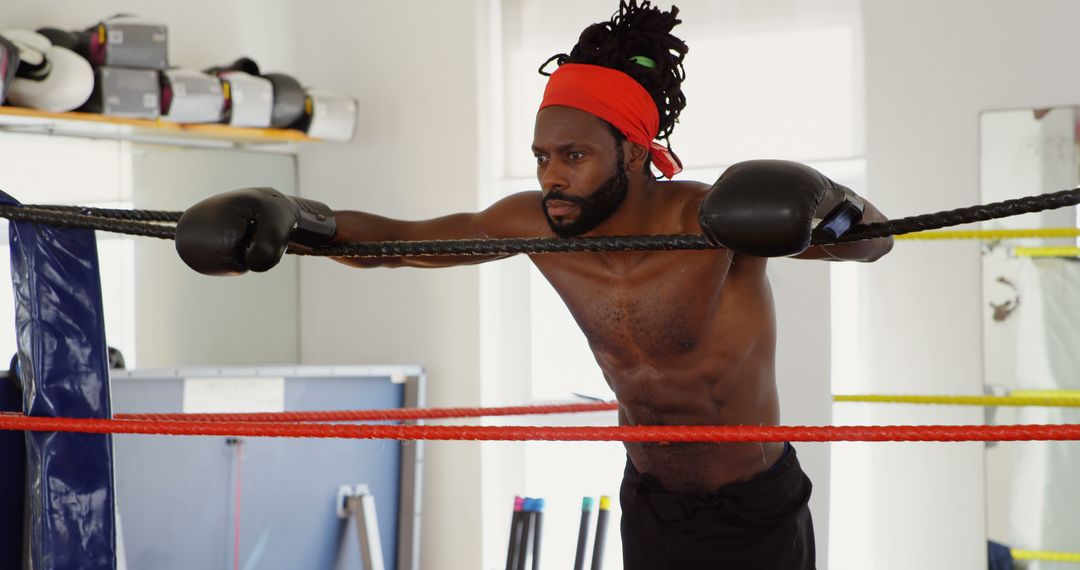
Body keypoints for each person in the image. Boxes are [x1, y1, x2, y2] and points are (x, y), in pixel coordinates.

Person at [174, 2, 892, 567]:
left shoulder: (712, 221)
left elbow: (875, 242)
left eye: (574, 155)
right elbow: (400, 244)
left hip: (750, 507)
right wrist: (298, 218)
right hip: (649, 501)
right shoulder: (539, 224)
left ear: (636, 153)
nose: (553, 174)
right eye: (543, 155)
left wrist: (824, 199)